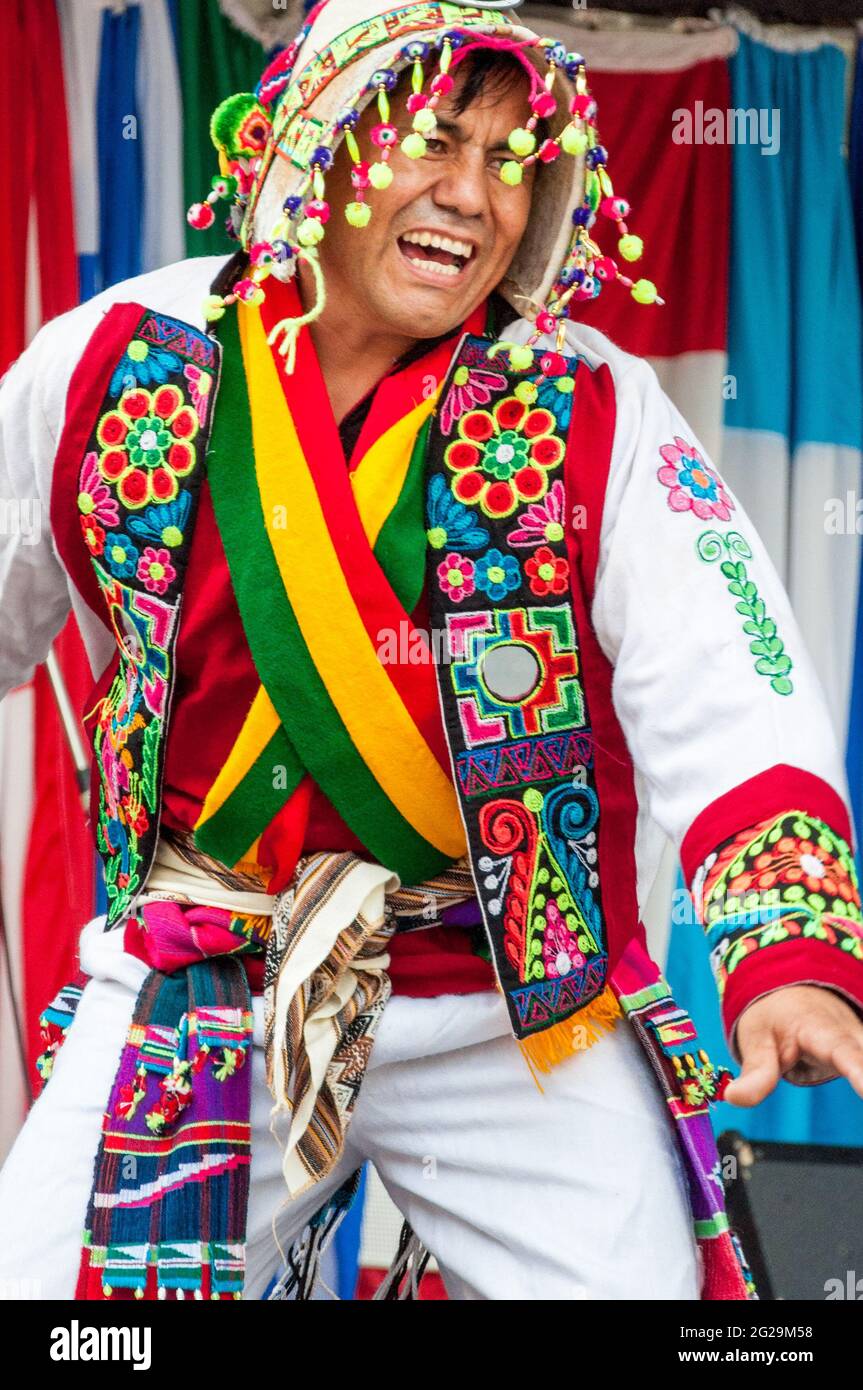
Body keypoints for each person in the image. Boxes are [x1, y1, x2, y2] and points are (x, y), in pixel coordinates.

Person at [0, 0, 861, 1302]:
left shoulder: (590, 411)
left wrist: (788, 953)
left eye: (513, 161)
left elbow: (727, 681)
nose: (474, 196)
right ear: (316, 140)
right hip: (200, 978)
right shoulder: (113, 365)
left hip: (511, 1010)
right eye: (434, 140)